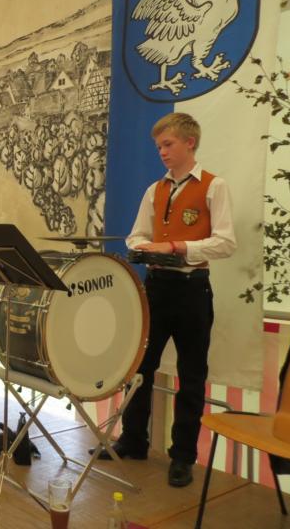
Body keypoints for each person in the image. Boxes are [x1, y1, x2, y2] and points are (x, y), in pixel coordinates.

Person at [94, 112, 236, 488]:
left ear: (190, 142)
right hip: (156, 287)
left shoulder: (213, 186)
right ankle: (133, 439)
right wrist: (144, 247)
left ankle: (183, 457)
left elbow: (225, 243)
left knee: (191, 375)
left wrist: (176, 247)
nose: (162, 152)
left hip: (192, 289)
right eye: (158, 146)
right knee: (139, 367)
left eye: (168, 144)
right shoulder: (154, 190)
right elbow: (136, 235)